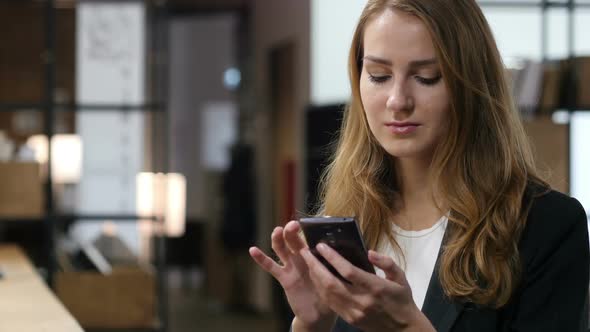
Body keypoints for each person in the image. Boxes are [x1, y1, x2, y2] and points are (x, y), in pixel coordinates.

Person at [249, 0, 590, 331]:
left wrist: (406, 327)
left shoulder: (546, 226)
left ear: (471, 85)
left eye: (426, 77)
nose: (398, 101)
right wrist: (312, 324)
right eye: (379, 76)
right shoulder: (350, 217)